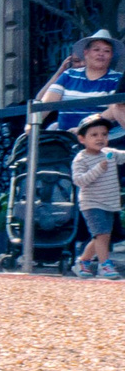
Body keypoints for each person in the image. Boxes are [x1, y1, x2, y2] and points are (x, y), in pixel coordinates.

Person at [39, 30, 125, 134]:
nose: (101, 54)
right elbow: (47, 103)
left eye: (107, 51)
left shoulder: (116, 79)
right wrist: (32, 125)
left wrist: (85, 127)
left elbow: (115, 109)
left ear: (111, 56)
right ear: (86, 53)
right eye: (96, 50)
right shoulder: (69, 75)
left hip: (101, 138)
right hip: (65, 138)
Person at [71, 115, 119, 278]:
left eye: (104, 134)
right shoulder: (81, 158)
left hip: (109, 202)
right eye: (94, 135)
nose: (100, 138)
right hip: (91, 203)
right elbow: (79, 180)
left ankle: (83, 261)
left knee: (102, 236)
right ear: (82, 139)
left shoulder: (109, 153)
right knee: (101, 234)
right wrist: (99, 169)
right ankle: (104, 265)